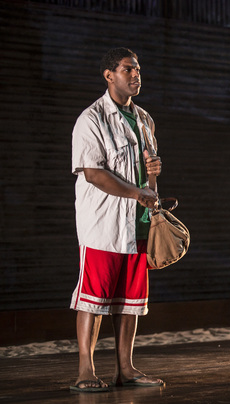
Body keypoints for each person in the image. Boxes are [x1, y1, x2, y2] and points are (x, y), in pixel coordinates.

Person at [69, 47, 165, 392]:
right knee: (93, 299)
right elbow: (93, 173)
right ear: (109, 75)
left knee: (130, 301)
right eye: (128, 69)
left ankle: (126, 368)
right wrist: (138, 193)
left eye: (138, 69)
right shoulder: (91, 118)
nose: (136, 75)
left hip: (137, 223)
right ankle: (85, 370)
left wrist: (152, 178)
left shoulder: (144, 119)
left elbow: (147, 176)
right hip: (103, 225)